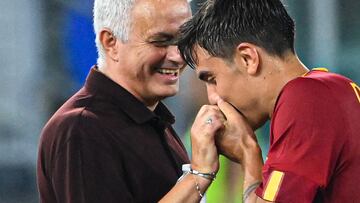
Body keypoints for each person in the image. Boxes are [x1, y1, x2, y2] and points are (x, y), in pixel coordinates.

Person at [37, 0, 225, 202]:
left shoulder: (152, 120)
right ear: (111, 42)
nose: (178, 56)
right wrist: (198, 175)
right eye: (160, 41)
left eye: (184, 41)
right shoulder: (81, 130)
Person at [177, 0, 360, 202]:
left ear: (248, 58)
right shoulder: (331, 87)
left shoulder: (305, 100)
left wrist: (248, 153)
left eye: (212, 79)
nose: (213, 98)